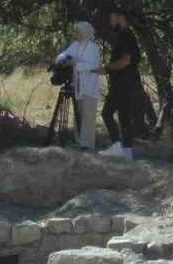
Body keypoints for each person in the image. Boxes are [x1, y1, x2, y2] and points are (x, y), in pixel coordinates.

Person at [97, 7, 144, 161]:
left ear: (121, 17)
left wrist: (107, 67)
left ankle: (116, 146)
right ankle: (127, 152)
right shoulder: (131, 34)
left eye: (112, 19)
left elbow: (126, 60)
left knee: (106, 113)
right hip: (131, 82)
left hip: (122, 82)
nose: (110, 23)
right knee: (124, 116)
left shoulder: (124, 34)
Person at [55, 21, 101, 151]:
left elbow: (93, 65)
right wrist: (63, 59)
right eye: (74, 32)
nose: (75, 34)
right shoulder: (75, 45)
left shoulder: (93, 47)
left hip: (89, 86)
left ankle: (87, 144)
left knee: (88, 116)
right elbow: (62, 55)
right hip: (77, 86)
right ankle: (78, 140)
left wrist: (76, 64)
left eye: (77, 32)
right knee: (78, 114)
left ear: (84, 33)